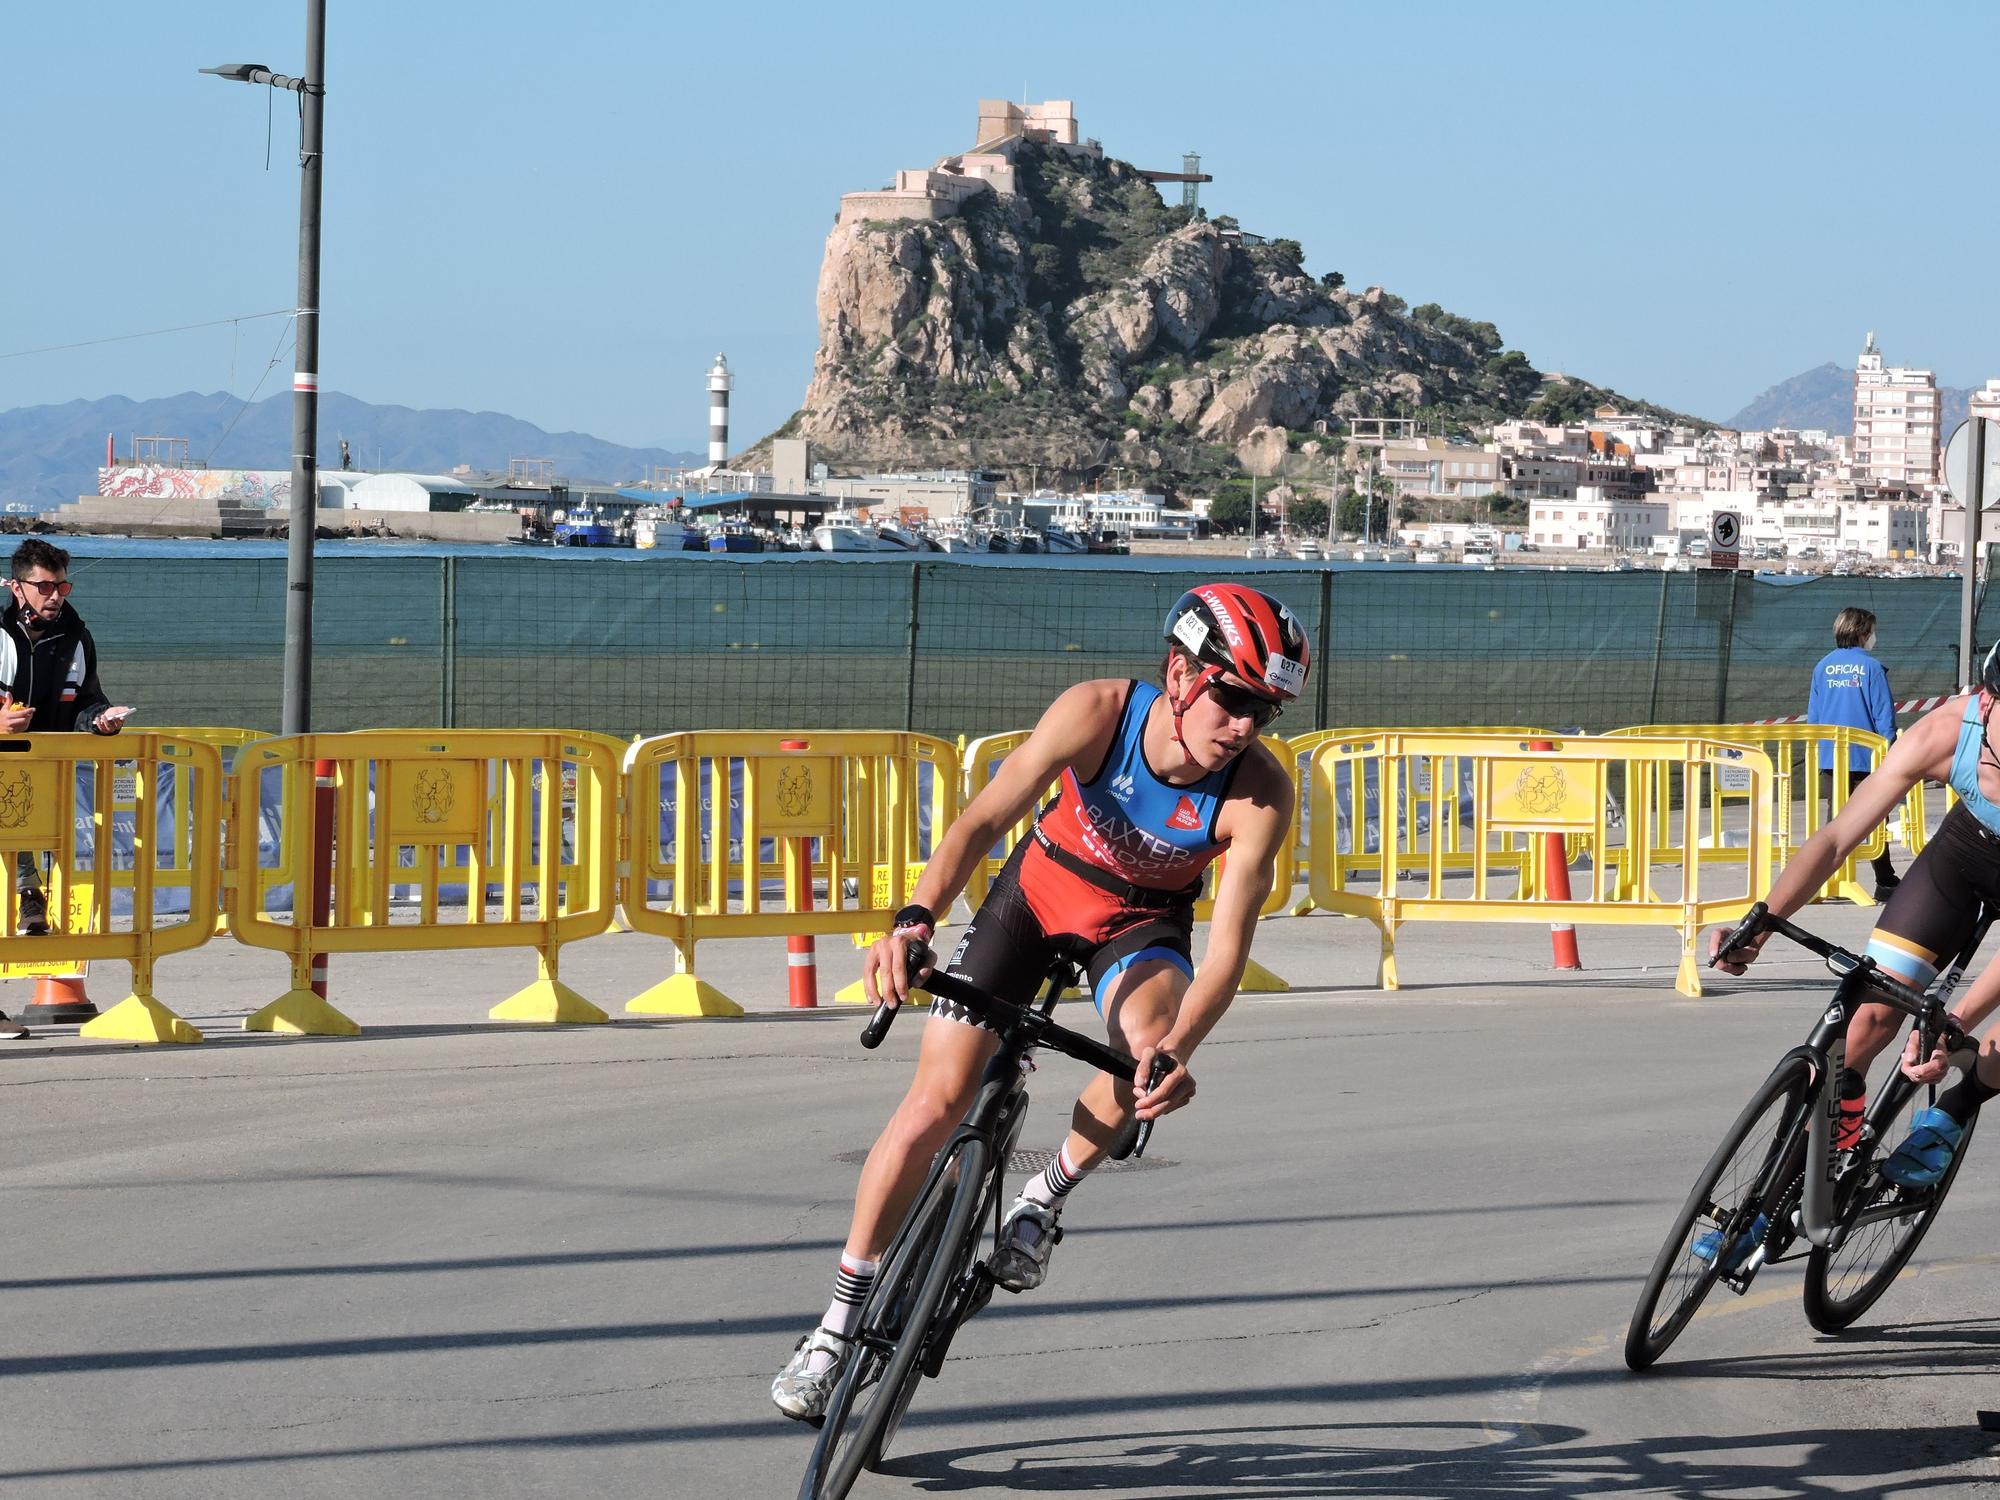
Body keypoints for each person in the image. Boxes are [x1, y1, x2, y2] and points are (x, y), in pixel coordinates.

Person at [771, 583, 1306, 1422]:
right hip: (1034, 900)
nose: (1242, 726)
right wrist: (912, 923)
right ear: (1178, 672)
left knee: (1146, 1051)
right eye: (1232, 699)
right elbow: (985, 818)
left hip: (1139, 926)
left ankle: (1041, 1200)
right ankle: (834, 1328)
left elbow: (1229, 949)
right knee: (933, 1104)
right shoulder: (1096, 712)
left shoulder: (1259, 795)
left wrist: (1178, 1052)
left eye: (1262, 712)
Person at [1715, 639, 2000, 1193]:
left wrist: (1954, 1023)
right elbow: (1838, 836)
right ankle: (1808, 1170)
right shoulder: (1944, 734)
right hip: (1964, 856)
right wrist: (1763, 923)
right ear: (1986, 703)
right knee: (1867, 1018)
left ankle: (1954, 1111)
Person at [0, 539, 133, 944]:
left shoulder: (76, 638)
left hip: (43, 770)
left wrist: (101, 721)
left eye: (61, 587)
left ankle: (34, 900)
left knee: (32, 831)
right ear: (15, 586)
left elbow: (87, 700)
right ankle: (28, 893)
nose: (55, 596)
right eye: (44, 587)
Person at [1805, 606, 1899, 898]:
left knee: (1834, 822)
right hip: (1867, 755)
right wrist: (1890, 752)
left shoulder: (1822, 667)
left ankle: (1819, 881)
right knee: (1874, 818)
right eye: (1871, 631)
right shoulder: (1871, 667)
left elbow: (1814, 717)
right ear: (1862, 633)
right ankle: (1885, 881)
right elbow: (1884, 715)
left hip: (1831, 756)